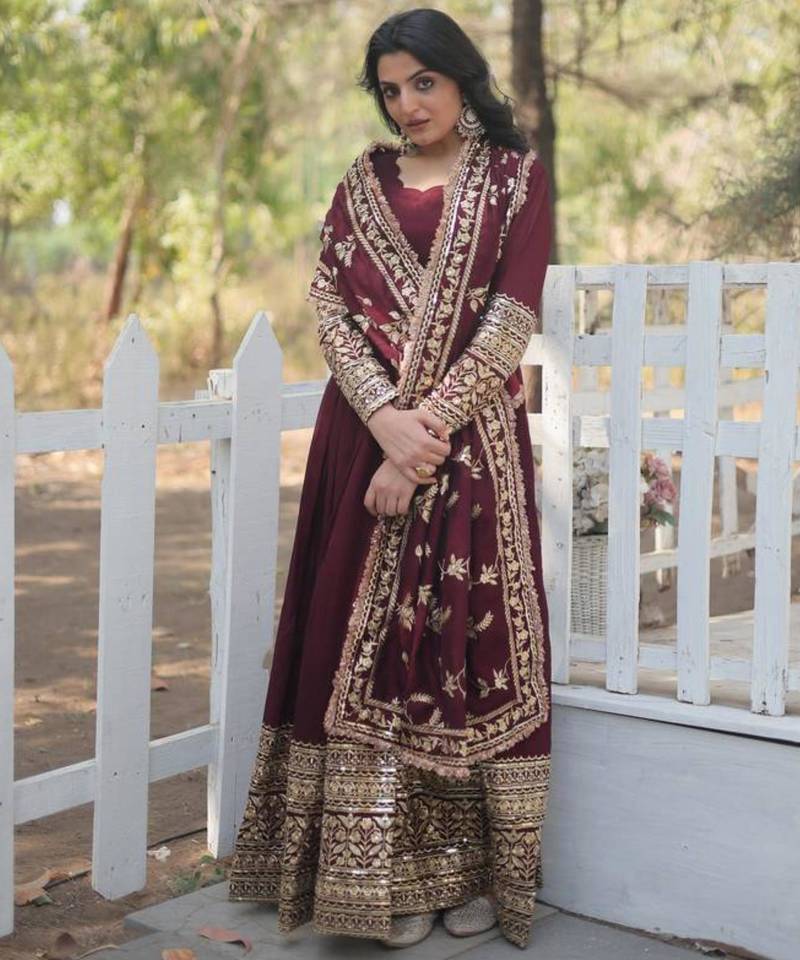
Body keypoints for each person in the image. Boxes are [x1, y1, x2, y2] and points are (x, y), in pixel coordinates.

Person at [227, 7, 553, 951]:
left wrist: (420, 441)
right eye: (391, 89)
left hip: (470, 451)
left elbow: (509, 319)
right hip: (361, 441)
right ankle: (381, 884)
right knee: (357, 650)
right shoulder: (360, 185)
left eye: (423, 83)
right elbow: (328, 308)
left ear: (461, 78)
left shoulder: (514, 180)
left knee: (465, 650)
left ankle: (474, 872)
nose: (408, 104)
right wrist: (383, 424)